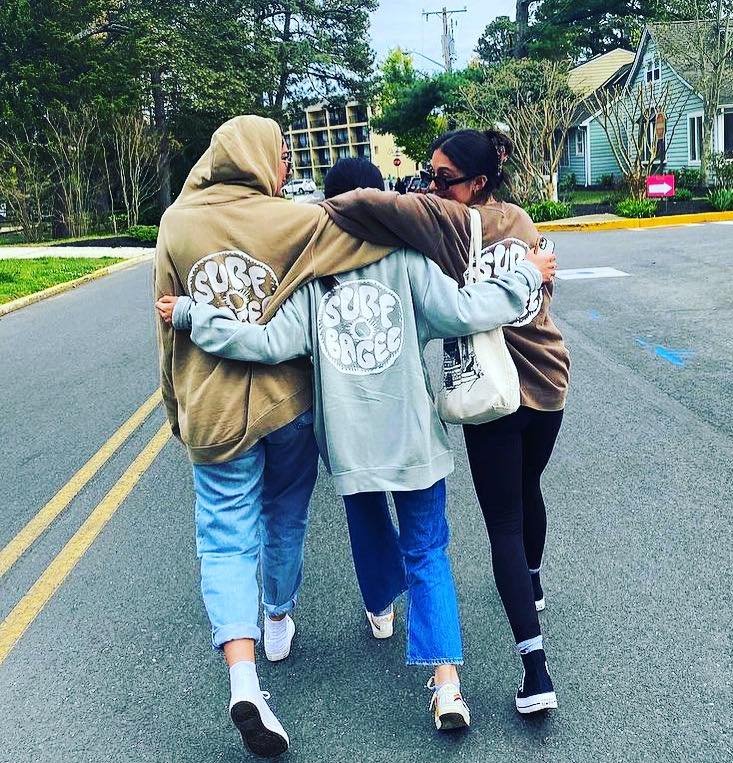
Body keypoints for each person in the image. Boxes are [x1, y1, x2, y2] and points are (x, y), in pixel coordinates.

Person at [157, 156, 550, 734]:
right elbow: (468, 311)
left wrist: (194, 314)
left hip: (348, 443)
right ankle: (447, 688)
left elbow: (266, 342)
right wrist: (526, 275)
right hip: (413, 437)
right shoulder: (410, 261)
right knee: (429, 552)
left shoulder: (314, 278)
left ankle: (379, 609)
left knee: (368, 527)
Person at [315, 129, 569, 716]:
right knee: (527, 495)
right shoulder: (524, 223)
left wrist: (317, 215)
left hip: (491, 393)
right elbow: (543, 285)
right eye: (428, 176)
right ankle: (529, 586)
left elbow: (372, 205)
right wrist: (531, 271)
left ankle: (535, 670)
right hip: (550, 381)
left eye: (441, 178)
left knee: (498, 524)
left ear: (474, 184)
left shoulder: (447, 226)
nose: (430, 187)